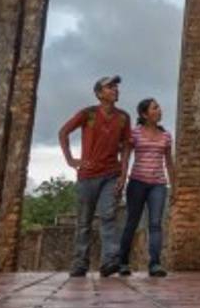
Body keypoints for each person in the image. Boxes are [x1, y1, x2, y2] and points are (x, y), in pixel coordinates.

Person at [59, 75, 132, 278]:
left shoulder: (123, 117)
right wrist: (71, 160)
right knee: (84, 221)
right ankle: (80, 263)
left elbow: (126, 148)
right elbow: (63, 132)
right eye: (109, 87)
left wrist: (123, 175)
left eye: (116, 87)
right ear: (99, 93)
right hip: (87, 175)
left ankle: (110, 260)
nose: (115, 90)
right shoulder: (88, 114)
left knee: (108, 216)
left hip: (111, 174)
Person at [116, 97, 175, 278]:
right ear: (144, 114)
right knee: (132, 223)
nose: (159, 110)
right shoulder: (135, 133)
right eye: (155, 108)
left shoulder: (166, 136)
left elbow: (169, 162)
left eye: (158, 107)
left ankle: (155, 264)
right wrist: (122, 177)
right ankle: (123, 262)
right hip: (137, 183)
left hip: (158, 184)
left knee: (155, 224)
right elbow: (125, 157)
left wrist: (175, 186)